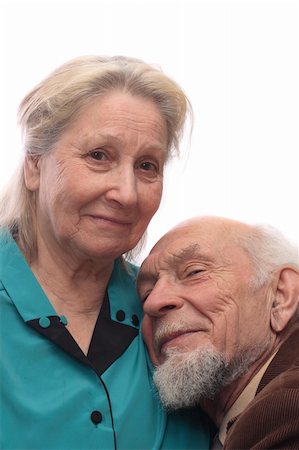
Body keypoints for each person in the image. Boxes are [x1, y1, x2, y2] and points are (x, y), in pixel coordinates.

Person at [0, 56, 211, 450]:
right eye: (99, 156)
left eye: (148, 166)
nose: (126, 194)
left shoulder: (179, 313)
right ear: (34, 165)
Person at [137, 216, 299, 449]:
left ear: (280, 296)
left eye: (194, 272)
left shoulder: (288, 411)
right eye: (145, 293)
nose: (154, 302)